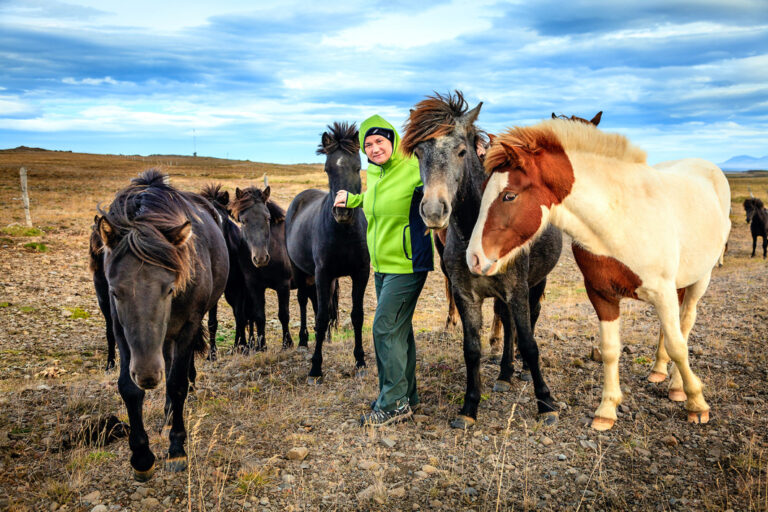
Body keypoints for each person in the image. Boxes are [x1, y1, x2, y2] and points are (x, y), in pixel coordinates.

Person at [334, 114, 433, 427]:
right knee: (398, 330)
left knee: (384, 328)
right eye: (369, 144)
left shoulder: (415, 169)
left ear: (393, 140)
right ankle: (407, 396)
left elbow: (445, 186)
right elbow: (376, 200)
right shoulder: (375, 173)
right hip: (383, 266)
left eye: (380, 141)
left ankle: (392, 405)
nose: (375, 148)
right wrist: (354, 199)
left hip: (407, 265)